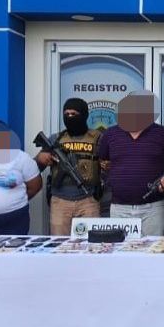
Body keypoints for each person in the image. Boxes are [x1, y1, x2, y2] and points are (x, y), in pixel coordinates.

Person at [97, 91, 164, 237]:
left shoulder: (163, 134)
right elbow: (102, 161)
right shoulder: (110, 134)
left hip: (153, 208)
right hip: (119, 208)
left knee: (152, 249)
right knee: (119, 250)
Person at [35, 98, 103, 236]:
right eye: (66, 114)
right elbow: (35, 168)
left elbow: (108, 165)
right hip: (60, 201)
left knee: (91, 244)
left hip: (88, 200)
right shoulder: (56, 139)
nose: (70, 117)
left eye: (74, 114)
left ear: (84, 115)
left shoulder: (97, 138)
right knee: (60, 244)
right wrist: (40, 159)